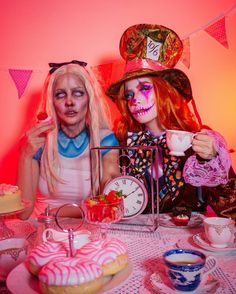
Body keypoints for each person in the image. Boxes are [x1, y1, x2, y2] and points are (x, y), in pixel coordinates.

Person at [106, 24, 232, 213]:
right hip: (136, 239)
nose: (135, 100)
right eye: (129, 95)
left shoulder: (199, 141)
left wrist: (211, 159)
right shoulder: (123, 144)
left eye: (144, 88)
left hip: (186, 241)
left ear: (167, 92)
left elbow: (231, 209)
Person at [18, 60, 119, 219]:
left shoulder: (105, 140)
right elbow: (23, 214)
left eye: (78, 93)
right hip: (42, 228)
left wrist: (54, 213)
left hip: (87, 230)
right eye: (60, 94)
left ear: (89, 98)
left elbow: (108, 207)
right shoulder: (38, 140)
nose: (69, 102)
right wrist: (25, 155)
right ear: (52, 102)